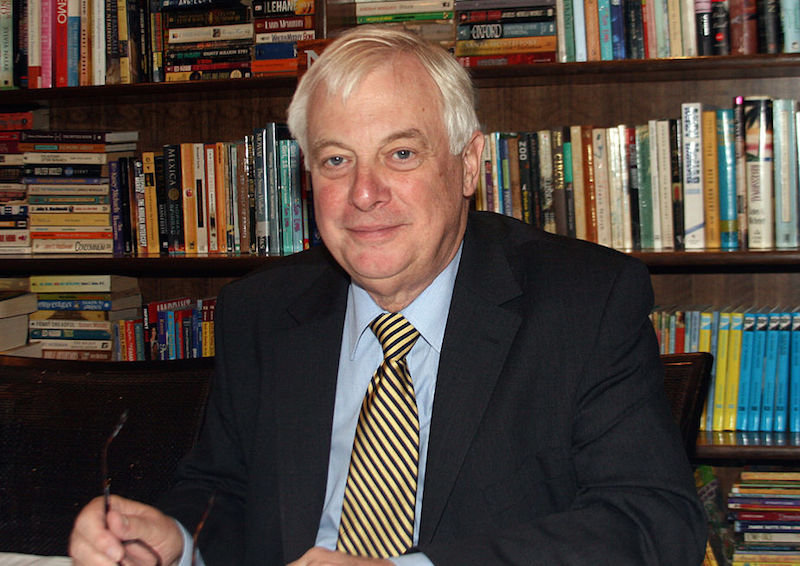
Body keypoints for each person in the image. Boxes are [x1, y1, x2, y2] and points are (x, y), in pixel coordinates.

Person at [69, 25, 707, 566]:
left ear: (468, 164)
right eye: (336, 160)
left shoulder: (585, 301)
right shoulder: (259, 311)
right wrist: (175, 540)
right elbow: (226, 491)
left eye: (400, 153)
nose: (364, 193)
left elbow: (652, 521)